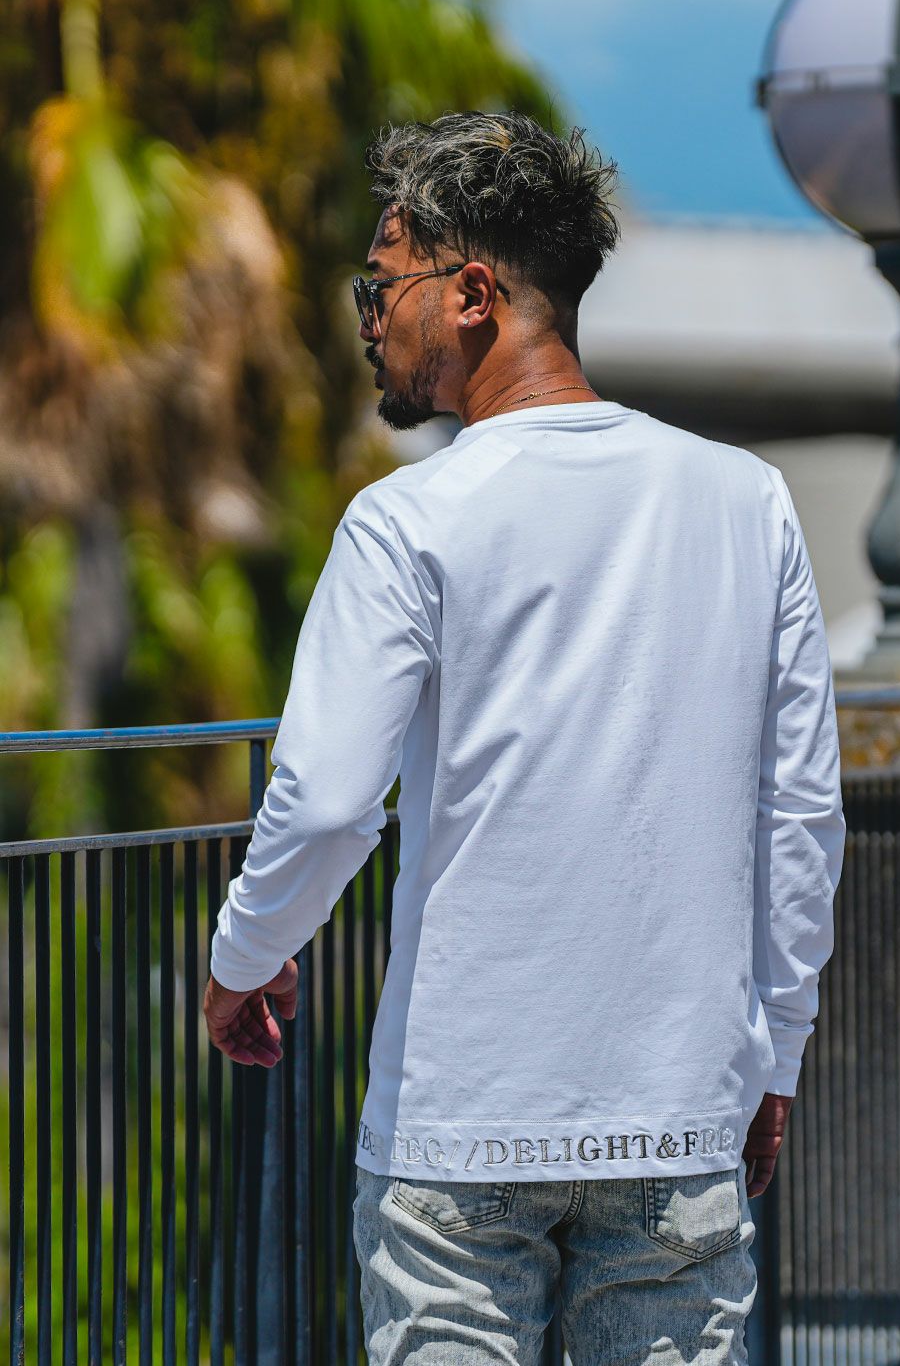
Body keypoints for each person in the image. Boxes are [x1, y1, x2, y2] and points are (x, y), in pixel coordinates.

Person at [203, 110, 846, 1365]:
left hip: (463, 1124)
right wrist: (774, 1053)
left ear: (472, 294)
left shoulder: (408, 520)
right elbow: (801, 817)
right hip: (678, 1114)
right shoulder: (746, 500)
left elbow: (327, 801)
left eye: (382, 285)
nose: (369, 320)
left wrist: (245, 955)